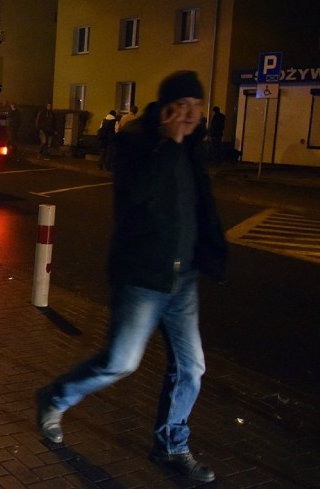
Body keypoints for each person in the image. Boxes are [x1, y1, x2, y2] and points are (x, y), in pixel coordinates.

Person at [37, 71, 227, 484]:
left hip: (183, 279)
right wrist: (169, 143)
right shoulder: (136, 142)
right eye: (186, 107)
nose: (194, 116)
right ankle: (54, 398)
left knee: (192, 368)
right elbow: (136, 194)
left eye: (198, 107)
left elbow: (201, 206)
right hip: (142, 277)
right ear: (169, 108)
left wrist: (213, 252)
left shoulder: (193, 147)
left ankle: (172, 446)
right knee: (120, 363)